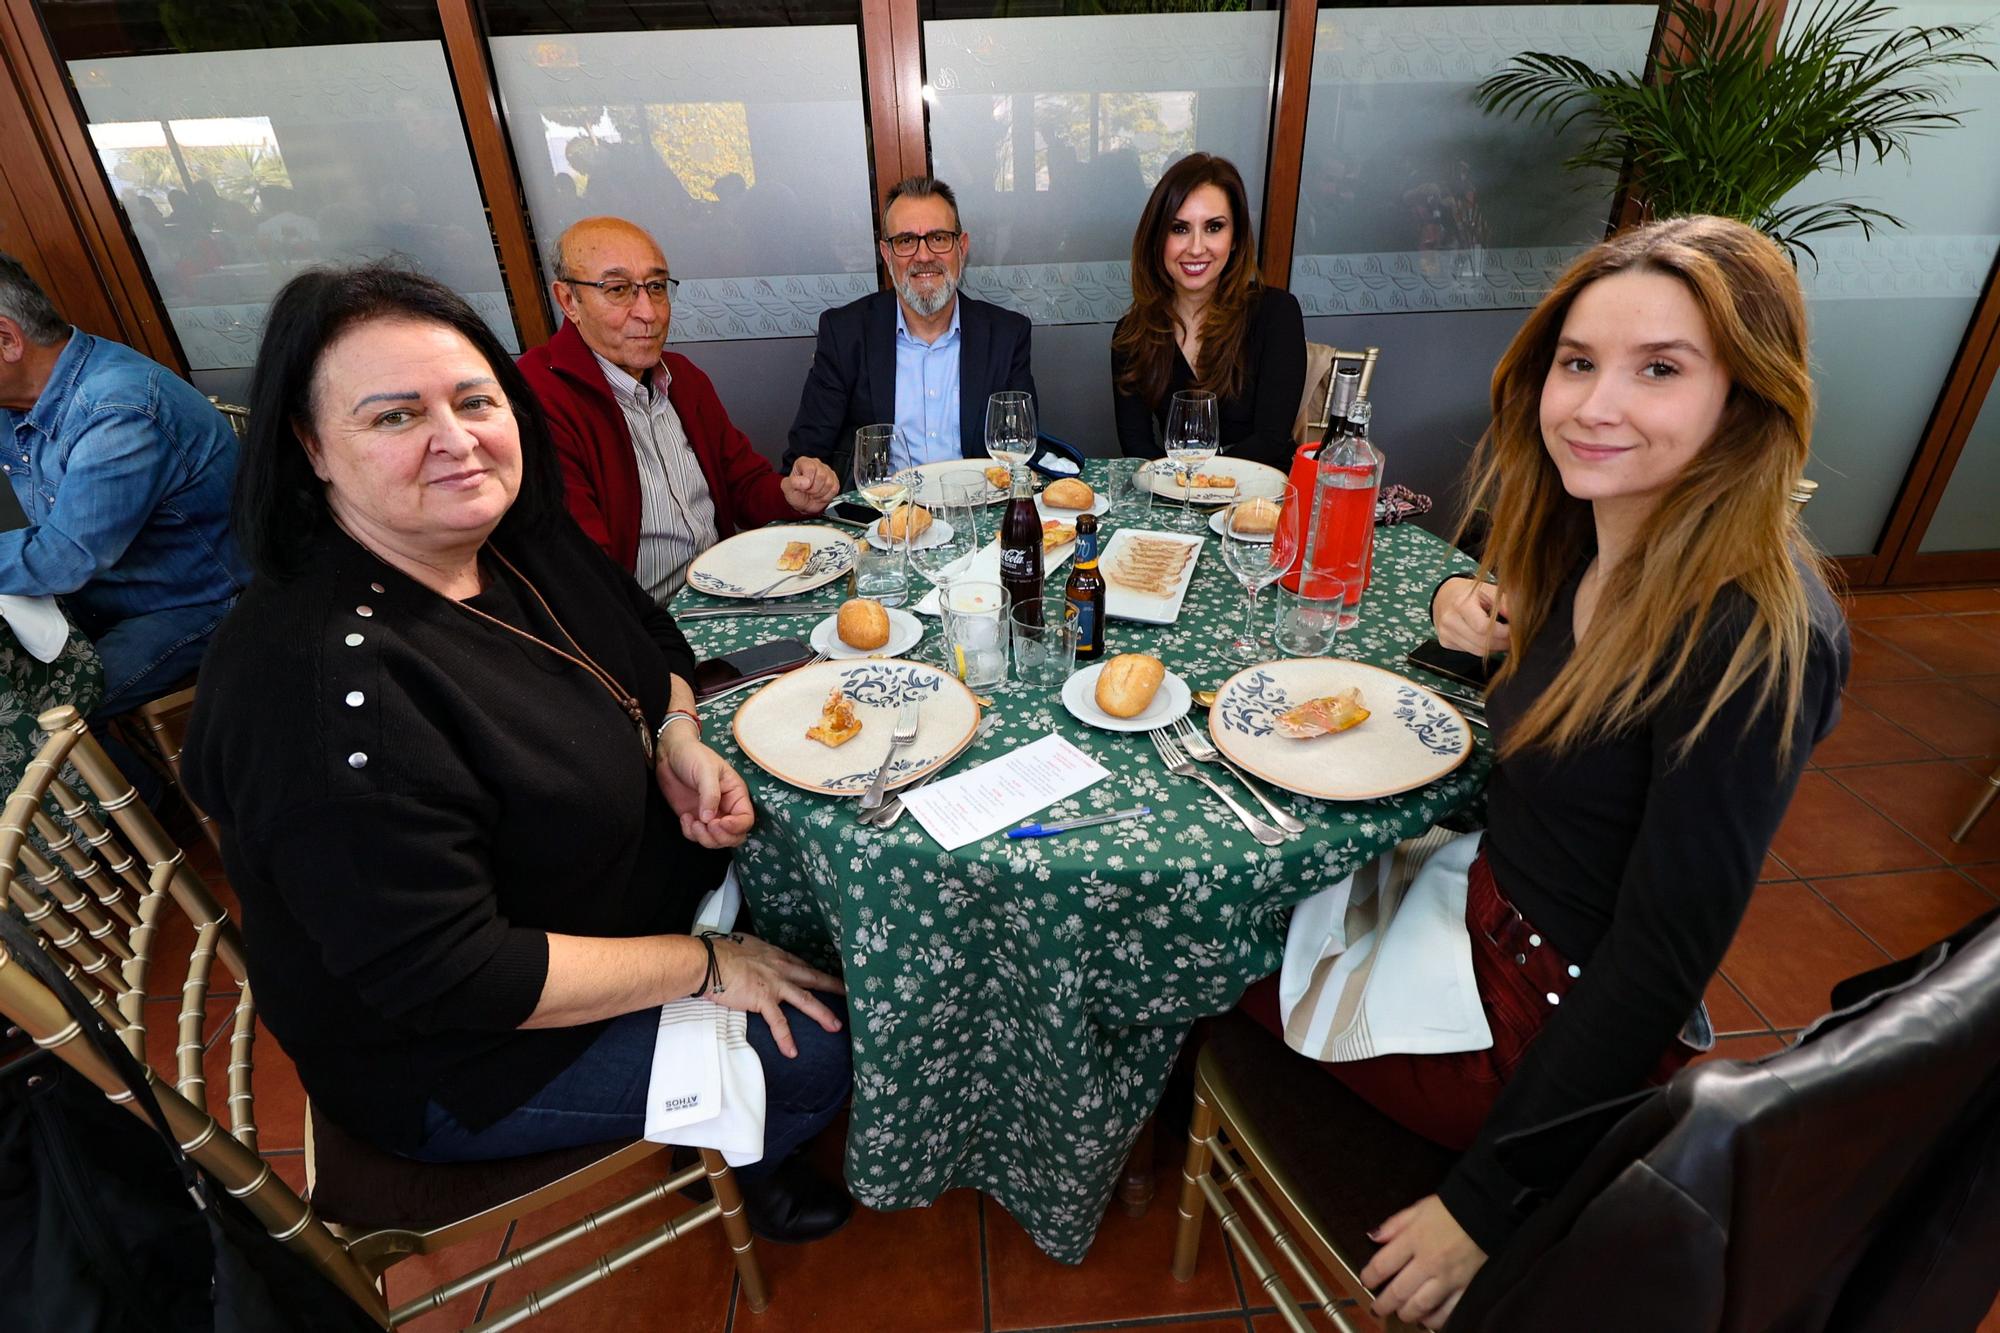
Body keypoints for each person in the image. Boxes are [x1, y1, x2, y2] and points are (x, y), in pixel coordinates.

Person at [1244, 216, 1851, 1327]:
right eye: (1577, 362)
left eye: (1657, 369)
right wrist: (1460, 611)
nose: (1593, 404)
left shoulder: (1754, 631)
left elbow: (1661, 959)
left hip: (1529, 1017)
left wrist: (1481, 1205)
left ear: (1746, 398)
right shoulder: (1592, 527)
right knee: (1252, 881)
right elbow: (1561, 692)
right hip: (1473, 895)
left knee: (1207, 947)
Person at [181, 265, 854, 1242]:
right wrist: (706, 965)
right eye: (393, 416)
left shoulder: (509, 537)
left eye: (473, 400)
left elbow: (655, 645)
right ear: (309, 444)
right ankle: (744, 1156)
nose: (454, 441)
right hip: (465, 1055)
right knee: (817, 1053)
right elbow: (459, 976)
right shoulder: (321, 693)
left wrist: (673, 739)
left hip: (619, 900)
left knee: (830, 921)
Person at [517, 217, 840, 601]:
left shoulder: (683, 377)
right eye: (618, 289)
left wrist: (790, 494)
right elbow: (583, 574)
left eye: (655, 287)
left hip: (721, 591)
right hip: (641, 622)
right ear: (569, 301)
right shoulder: (538, 396)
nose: (648, 312)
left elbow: (744, 484)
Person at [0, 251, 248, 718]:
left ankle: (142, 793)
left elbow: (63, 558)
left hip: (198, 604)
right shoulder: (22, 396)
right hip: (101, 594)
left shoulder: (117, 408)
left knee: (30, 718)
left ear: (7, 340)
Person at [784, 175, 1036, 480]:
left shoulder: (1007, 335)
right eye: (906, 241)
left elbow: (1019, 450)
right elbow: (805, 458)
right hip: (883, 517)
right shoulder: (845, 334)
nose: (924, 256)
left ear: (962, 247)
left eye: (939, 238)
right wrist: (809, 477)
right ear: (887, 254)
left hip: (978, 513)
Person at [1111, 154, 1305, 470]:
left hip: (1259, 500)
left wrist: (1199, 484)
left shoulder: (1276, 313)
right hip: (1174, 501)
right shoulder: (1131, 334)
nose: (1197, 247)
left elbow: (1270, 438)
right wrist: (1182, 494)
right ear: (1157, 239)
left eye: (1214, 227)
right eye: (1179, 228)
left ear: (1235, 238)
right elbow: (1137, 449)